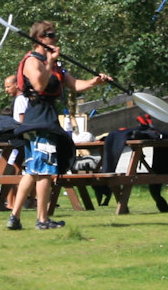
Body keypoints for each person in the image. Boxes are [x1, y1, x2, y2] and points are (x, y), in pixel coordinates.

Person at [7, 21, 110, 231]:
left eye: (55, 35)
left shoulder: (54, 65)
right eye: (51, 35)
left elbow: (74, 85)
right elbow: (39, 84)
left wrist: (95, 82)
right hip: (38, 117)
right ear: (40, 38)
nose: (55, 39)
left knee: (33, 170)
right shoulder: (32, 61)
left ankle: (14, 217)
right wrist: (49, 61)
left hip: (48, 117)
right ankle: (42, 220)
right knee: (44, 170)